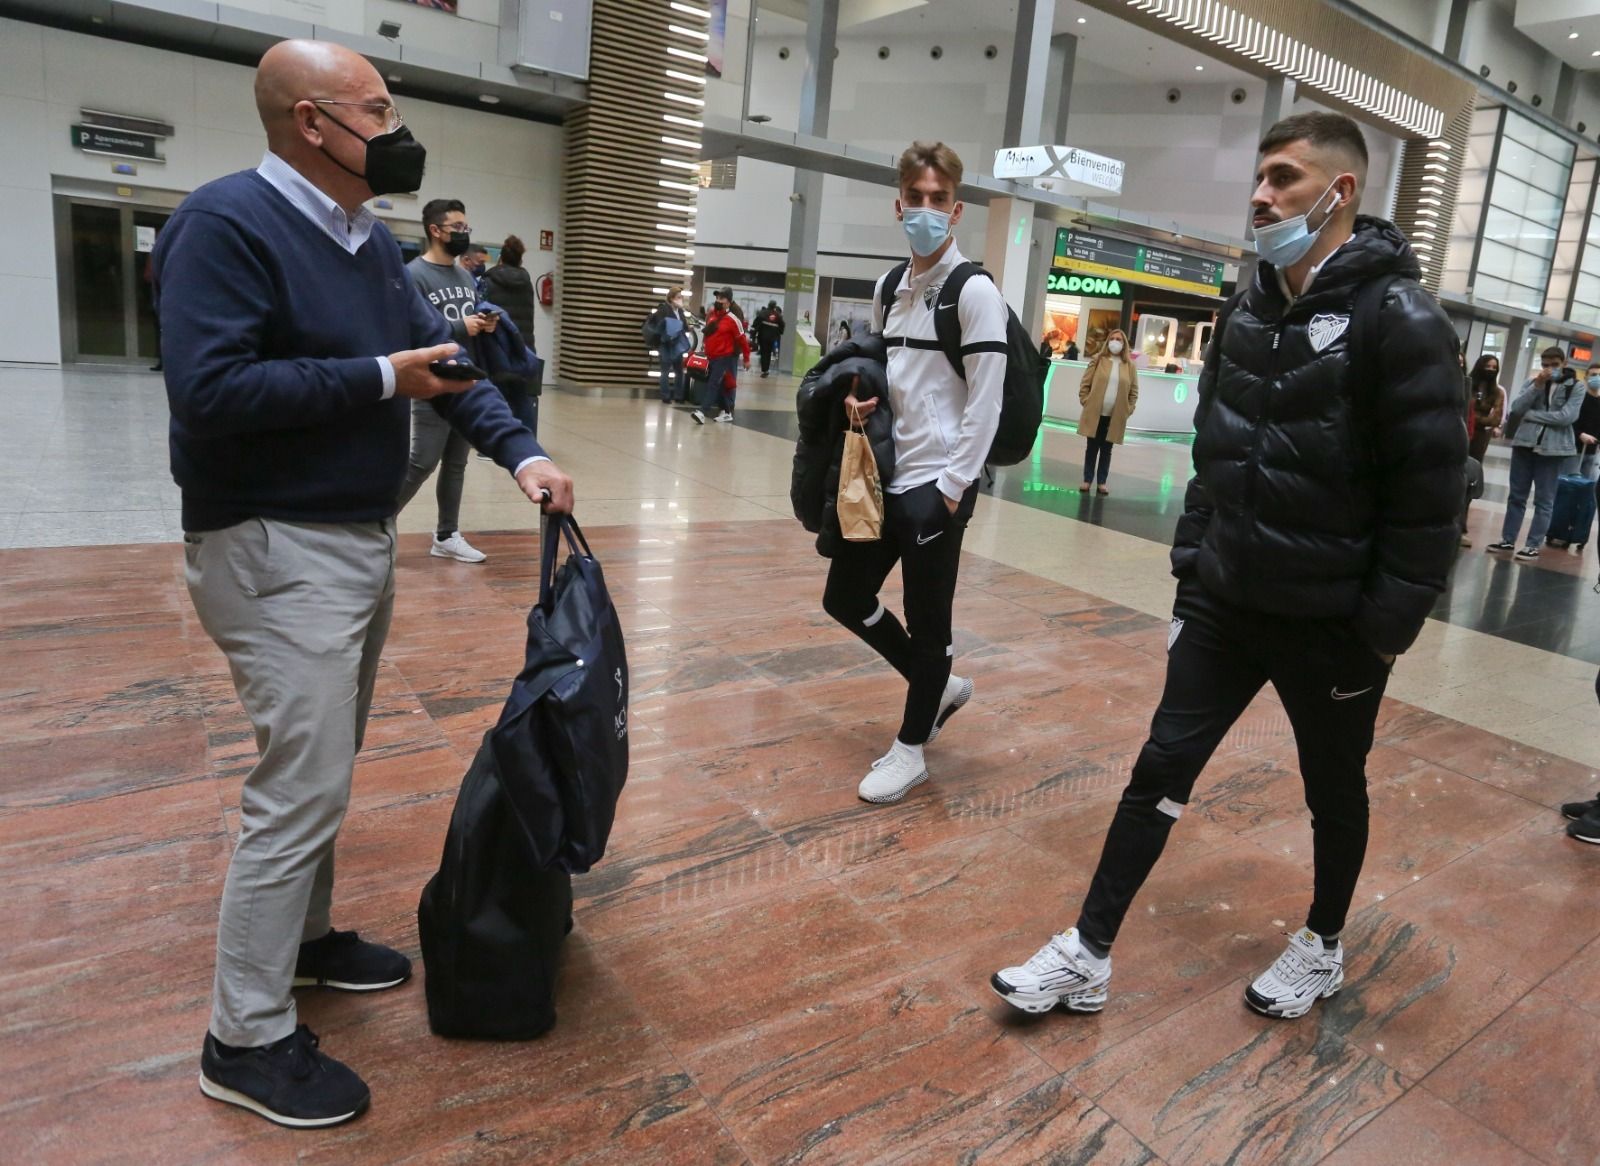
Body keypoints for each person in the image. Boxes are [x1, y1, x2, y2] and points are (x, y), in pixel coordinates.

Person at [153, 38, 573, 1128]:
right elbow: (211, 389)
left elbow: (445, 363)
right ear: (311, 123)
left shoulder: (366, 243)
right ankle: (240, 1035)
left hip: (348, 538)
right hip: (270, 543)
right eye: (378, 109)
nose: (396, 130)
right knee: (299, 785)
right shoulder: (226, 221)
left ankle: (303, 941)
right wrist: (382, 377)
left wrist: (520, 452)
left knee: (325, 767)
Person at [992, 112, 1465, 1022]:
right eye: (1260, 178)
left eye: (1285, 178)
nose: (1261, 195)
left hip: (1332, 622)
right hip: (1227, 599)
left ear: (1341, 192)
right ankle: (1087, 951)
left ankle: (1322, 942)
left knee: (1334, 787)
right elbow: (1218, 452)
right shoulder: (1249, 304)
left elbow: (1432, 496)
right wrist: (1189, 570)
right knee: (1161, 763)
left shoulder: (1398, 318)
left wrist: (1379, 635)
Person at [821, 140, 1005, 805]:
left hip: (938, 489)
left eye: (939, 201)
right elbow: (886, 372)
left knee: (932, 627)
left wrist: (952, 491)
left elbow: (988, 401)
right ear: (899, 205)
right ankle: (941, 686)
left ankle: (910, 751)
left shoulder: (974, 292)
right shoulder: (889, 288)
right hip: (886, 474)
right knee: (844, 596)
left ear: (955, 211)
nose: (926, 211)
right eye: (916, 200)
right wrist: (857, 400)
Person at [395, 198, 495, 563]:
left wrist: (484, 325)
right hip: (431, 382)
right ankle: (375, 526)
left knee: (457, 463)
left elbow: (468, 324)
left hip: (464, 378)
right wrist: (457, 327)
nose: (464, 234)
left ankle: (446, 534)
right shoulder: (412, 275)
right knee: (421, 462)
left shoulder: (465, 275)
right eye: (458, 228)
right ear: (435, 231)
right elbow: (409, 330)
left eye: (466, 228)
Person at [1486, 347, 1585, 560]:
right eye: (1545, 365)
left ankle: (1532, 545)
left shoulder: (1575, 387)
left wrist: (1533, 415)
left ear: (1564, 363)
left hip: (1552, 449)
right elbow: (1517, 408)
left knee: (1544, 499)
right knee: (1516, 496)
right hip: (1524, 444)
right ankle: (1508, 540)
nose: (1549, 369)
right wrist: (1537, 385)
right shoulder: (1533, 383)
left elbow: (1566, 417)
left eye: (1554, 365)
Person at [1077, 328, 1138, 496]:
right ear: (1108, 341)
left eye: (1119, 339)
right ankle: (1087, 479)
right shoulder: (1098, 360)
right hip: (1096, 413)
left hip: (1114, 417)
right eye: (1113, 338)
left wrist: (1128, 410)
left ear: (1124, 343)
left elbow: (1133, 392)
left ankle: (1102, 482)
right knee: (1091, 448)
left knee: (1106, 450)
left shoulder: (1129, 366)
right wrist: (1086, 401)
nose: (1115, 342)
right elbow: (1085, 384)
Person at [691, 286, 749, 424]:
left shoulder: (733, 319)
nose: (718, 300)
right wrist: (704, 346)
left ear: (729, 301)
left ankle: (702, 412)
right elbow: (707, 334)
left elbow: (742, 339)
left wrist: (746, 358)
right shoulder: (711, 315)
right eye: (717, 298)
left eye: (722, 298)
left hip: (724, 357)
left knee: (713, 384)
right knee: (721, 384)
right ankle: (727, 412)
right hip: (711, 356)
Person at [480, 234, 536, 338]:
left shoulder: (487, 281)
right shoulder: (527, 283)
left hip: (499, 346)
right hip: (525, 346)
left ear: (501, 258)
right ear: (520, 260)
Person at [647, 286, 692, 404]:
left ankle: (678, 395)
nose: (680, 299)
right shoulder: (663, 309)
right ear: (672, 298)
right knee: (665, 370)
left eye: (681, 297)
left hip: (677, 345)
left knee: (679, 371)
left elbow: (684, 325)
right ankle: (665, 396)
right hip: (666, 344)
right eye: (678, 297)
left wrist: (689, 327)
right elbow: (662, 327)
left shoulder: (680, 311)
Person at [1467, 353, 1505, 464]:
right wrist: (1482, 418)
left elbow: (1495, 420)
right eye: (1487, 366)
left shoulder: (1498, 392)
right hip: (1461, 430)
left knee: (1474, 463)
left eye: (1494, 368)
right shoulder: (1467, 385)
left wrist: (1473, 417)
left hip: (1480, 435)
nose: (1490, 370)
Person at [1574, 364, 1600, 479]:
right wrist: (1580, 434)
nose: (1597, 378)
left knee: (1588, 487)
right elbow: (1569, 423)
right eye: (1594, 375)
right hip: (1574, 451)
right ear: (1586, 378)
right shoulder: (1578, 399)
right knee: (1569, 485)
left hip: (1593, 453)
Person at [751, 300, 785, 377]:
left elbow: (755, 324)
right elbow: (782, 325)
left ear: (768, 305)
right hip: (772, 338)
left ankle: (764, 370)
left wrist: (753, 335)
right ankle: (766, 369)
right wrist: (779, 333)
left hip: (762, 337)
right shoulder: (778, 315)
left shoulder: (763, 313)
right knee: (768, 353)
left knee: (763, 353)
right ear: (774, 306)